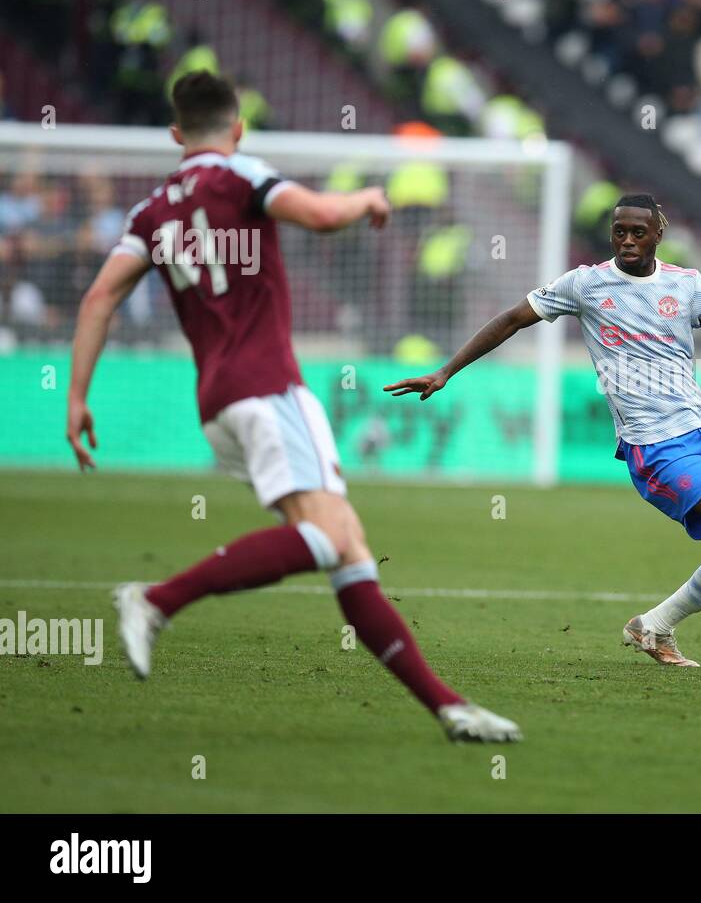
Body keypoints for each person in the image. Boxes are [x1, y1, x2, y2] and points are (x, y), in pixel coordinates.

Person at [66, 71, 518, 742]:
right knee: (333, 538)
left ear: (174, 134)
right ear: (238, 127)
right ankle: (156, 600)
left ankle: (447, 708)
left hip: (216, 402)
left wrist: (76, 395)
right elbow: (321, 216)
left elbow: (99, 296)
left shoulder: (152, 210)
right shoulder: (242, 175)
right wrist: (367, 196)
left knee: (348, 550)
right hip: (268, 386)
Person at [386, 194, 701, 666]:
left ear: (658, 235)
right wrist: (446, 371)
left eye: (638, 232)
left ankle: (652, 628)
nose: (627, 241)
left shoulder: (688, 285)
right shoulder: (585, 284)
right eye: (619, 233)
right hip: (652, 444)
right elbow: (512, 319)